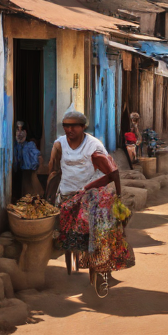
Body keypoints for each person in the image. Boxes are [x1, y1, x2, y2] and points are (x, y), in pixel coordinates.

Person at [47, 110, 134, 297]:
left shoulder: (93, 146)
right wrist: (49, 197)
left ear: (83, 127)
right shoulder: (59, 144)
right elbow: (53, 171)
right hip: (67, 196)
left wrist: (117, 196)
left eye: (74, 126)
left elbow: (113, 173)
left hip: (90, 193)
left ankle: (100, 270)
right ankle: (94, 264)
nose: (69, 129)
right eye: (66, 125)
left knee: (101, 221)